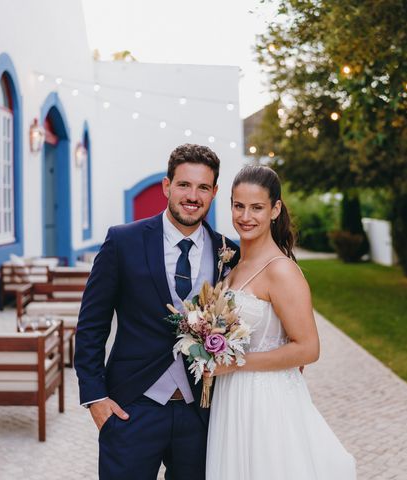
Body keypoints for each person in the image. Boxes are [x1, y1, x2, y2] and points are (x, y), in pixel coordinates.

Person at [74, 144, 239, 480]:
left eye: (203, 187)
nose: (192, 195)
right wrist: (95, 399)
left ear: (214, 192)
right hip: (132, 408)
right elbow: (91, 325)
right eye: (184, 185)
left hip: (202, 412)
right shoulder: (123, 241)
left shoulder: (230, 253)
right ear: (167, 186)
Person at [205, 165, 356, 479]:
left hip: (267, 401)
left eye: (257, 207)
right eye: (238, 206)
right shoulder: (234, 265)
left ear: (275, 210)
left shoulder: (281, 270)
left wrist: (236, 363)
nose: (246, 216)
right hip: (232, 398)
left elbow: (309, 349)